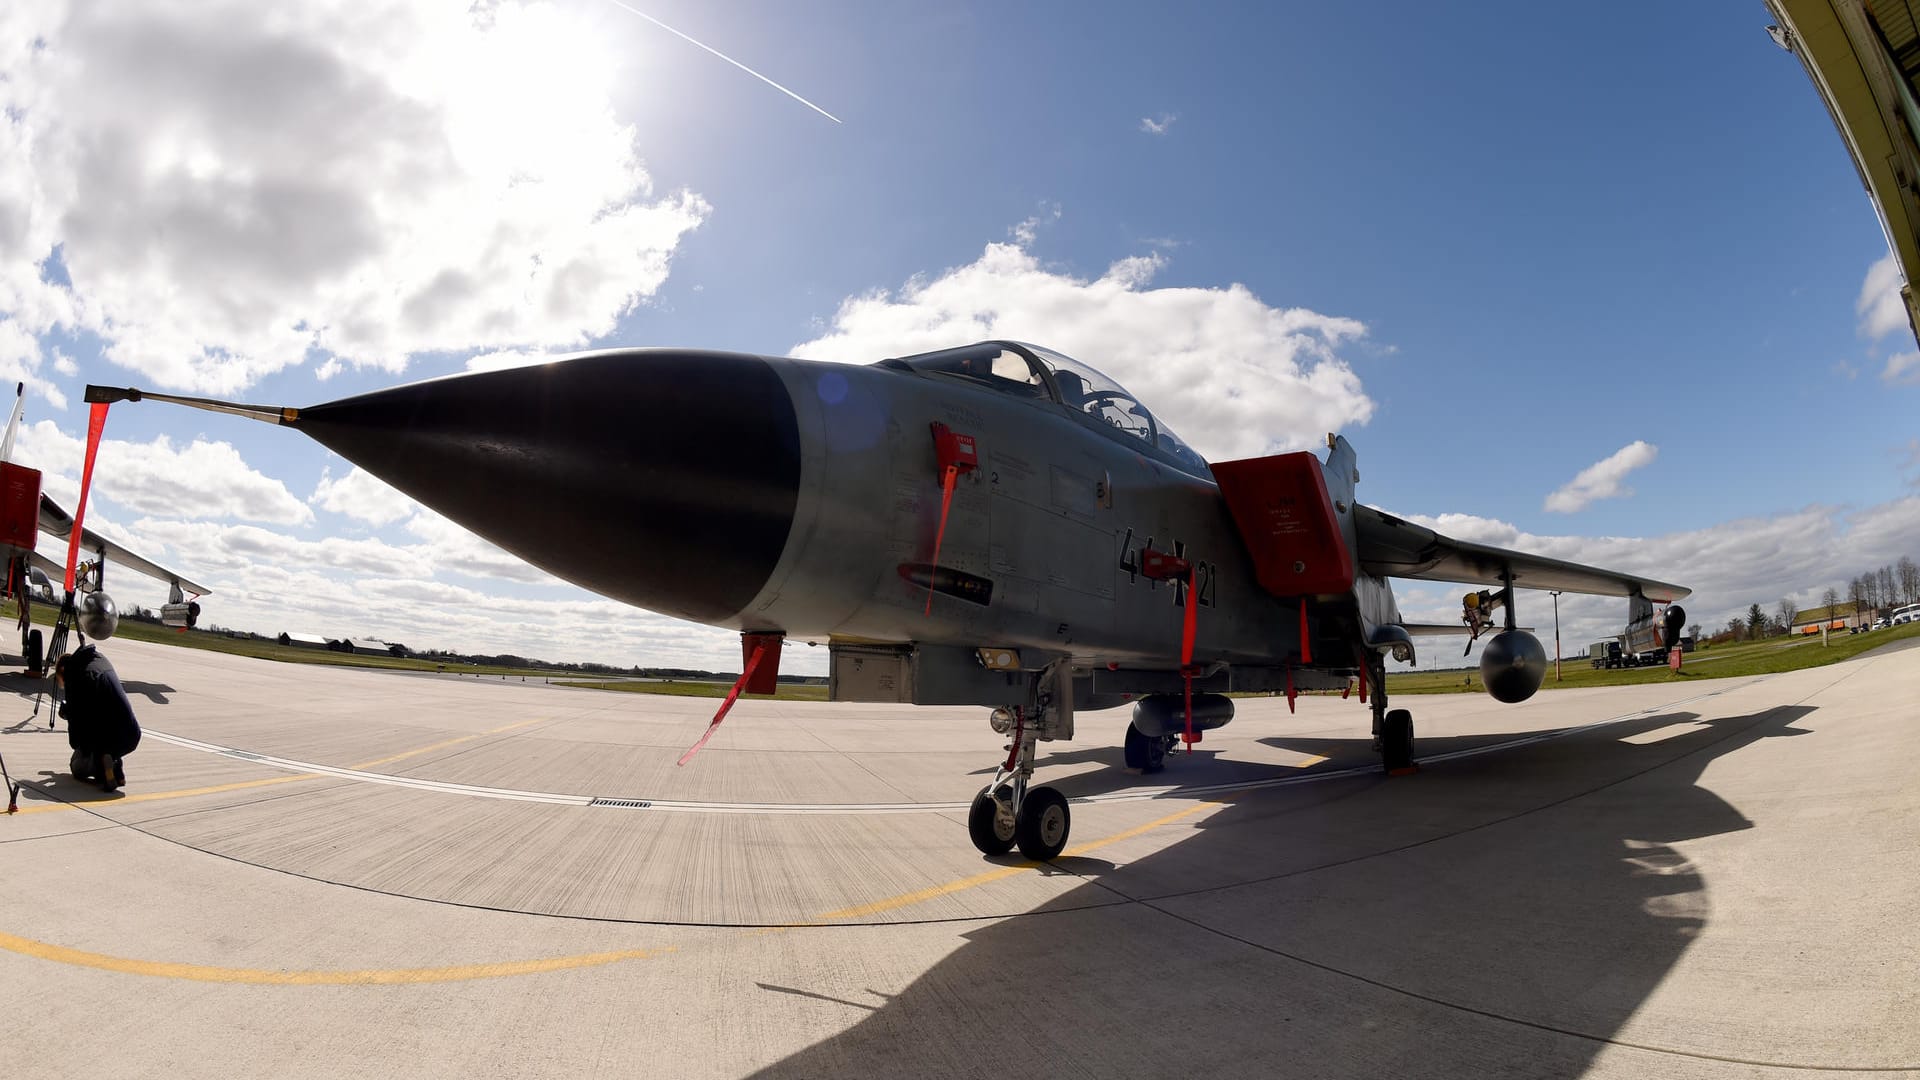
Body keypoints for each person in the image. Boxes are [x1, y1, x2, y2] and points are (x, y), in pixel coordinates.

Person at [54, 645, 141, 792]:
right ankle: (116, 771)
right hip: (132, 734)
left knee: (76, 765)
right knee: (107, 743)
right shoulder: (100, 660)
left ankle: (102, 765)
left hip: (106, 737)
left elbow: (75, 741)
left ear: (63, 671)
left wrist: (69, 714)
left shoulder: (74, 678)